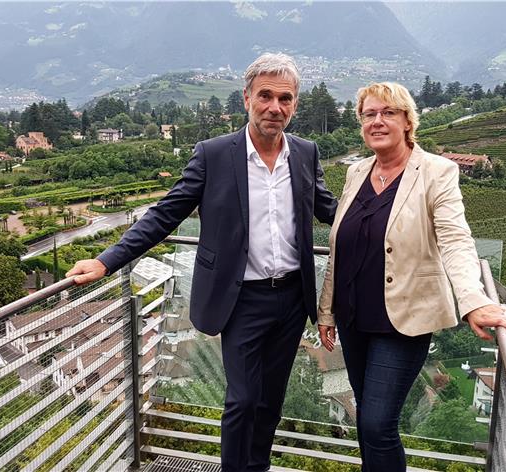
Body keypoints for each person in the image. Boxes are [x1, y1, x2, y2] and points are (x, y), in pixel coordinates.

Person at [66, 53, 337, 472]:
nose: (274, 107)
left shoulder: (305, 153)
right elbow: (165, 213)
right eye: (265, 96)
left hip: (290, 299)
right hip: (241, 299)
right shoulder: (214, 154)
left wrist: (392, 218)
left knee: (270, 404)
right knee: (243, 399)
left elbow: (329, 211)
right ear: (246, 98)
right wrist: (107, 261)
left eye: (285, 99)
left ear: (295, 105)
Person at [316, 82, 506, 471]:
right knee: (367, 420)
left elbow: (456, 240)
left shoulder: (435, 172)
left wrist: (474, 301)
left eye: (388, 113)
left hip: (403, 320)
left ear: (408, 121)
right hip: (353, 317)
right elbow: (340, 245)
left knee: (378, 423)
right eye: (369, 115)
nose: (377, 121)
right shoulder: (358, 171)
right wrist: (326, 311)